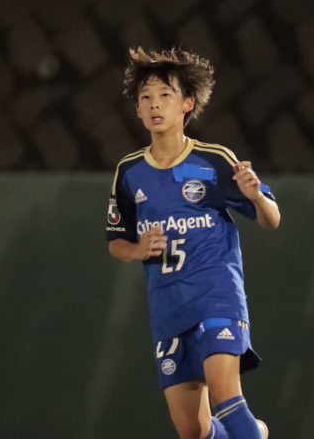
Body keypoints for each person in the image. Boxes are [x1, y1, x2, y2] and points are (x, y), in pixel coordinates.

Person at [105, 47, 280, 439]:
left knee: (225, 395)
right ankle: (255, 432)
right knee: (193, 431)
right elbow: (116, 241)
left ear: (187, 103)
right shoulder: (129, 172)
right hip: (168, 306)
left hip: (216, 296)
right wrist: (137, 250)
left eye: (165, 95)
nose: (155, 104)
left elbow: (272, 218)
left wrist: (256, 196)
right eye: (146, 97)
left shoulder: (213, 161)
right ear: (137, 109)